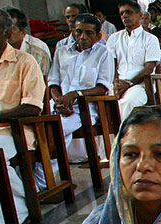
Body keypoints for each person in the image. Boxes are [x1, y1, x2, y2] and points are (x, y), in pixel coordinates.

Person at [0, 7, 44, 224]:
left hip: (12, 130)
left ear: (7, 33)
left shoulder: (25, 61)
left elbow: (32, 107)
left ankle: (16, 213)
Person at [48, 14, 113, 164]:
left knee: (55, 131)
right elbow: (53, 82)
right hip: (59, 106)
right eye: (78, 32)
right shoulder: (61, 51)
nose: (82, 37)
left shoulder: (104, 53)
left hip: (83, 108)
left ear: (97, 37)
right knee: (40, 131)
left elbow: (102, 87)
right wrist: (59, 100)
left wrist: (75, 95)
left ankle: (47, 175)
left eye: (89, 33)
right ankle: (49, 172)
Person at [106, 0, 161, 120]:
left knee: (127, 103)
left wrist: (129, 83)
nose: (125, 16)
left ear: (140, 16)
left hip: (140, 85)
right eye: (121, 13)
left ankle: (124, 138)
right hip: (119, 84)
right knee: (103, 104)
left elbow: (149, 68)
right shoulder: (114, 38)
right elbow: (111, 65)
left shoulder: (150, 39)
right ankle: (111, 138)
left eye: (129, 12)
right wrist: (115, 83)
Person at [4, 7, 50, 76]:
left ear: (23, 32)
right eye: (2, 28)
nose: (5, 32)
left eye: (10, 28)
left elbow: (41, 84)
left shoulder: (38, 54)